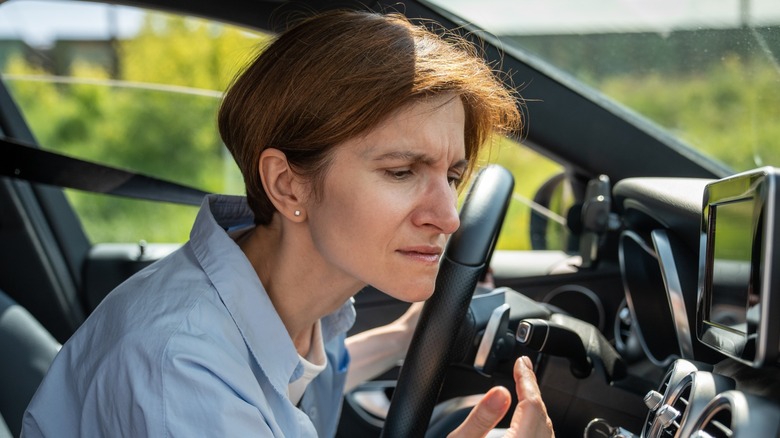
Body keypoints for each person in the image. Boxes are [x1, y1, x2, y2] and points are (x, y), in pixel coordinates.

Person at [22, 10, 554, 437]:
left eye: (454, 176)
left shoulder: (294, 301)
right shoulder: (183, 374)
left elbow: (289, 379)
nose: (448, 217)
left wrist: (402, 339)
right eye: (401, 171)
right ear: (287, 185)